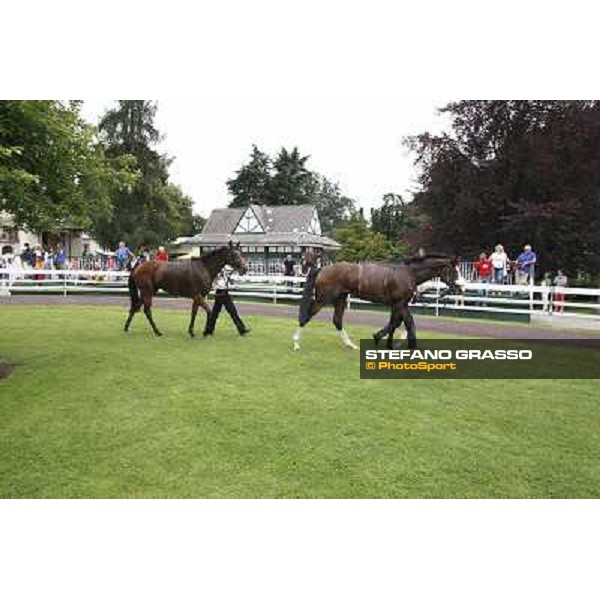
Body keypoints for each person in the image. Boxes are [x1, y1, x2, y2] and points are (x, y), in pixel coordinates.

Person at [203, 266, 251, 337]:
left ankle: (208, 331)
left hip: (223, 292)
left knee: (216, 313)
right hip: (221, 292)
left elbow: (231, 272)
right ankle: (242, 329)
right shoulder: (217, 271)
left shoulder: (225, 270)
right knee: (231, 311)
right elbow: (214, 280)